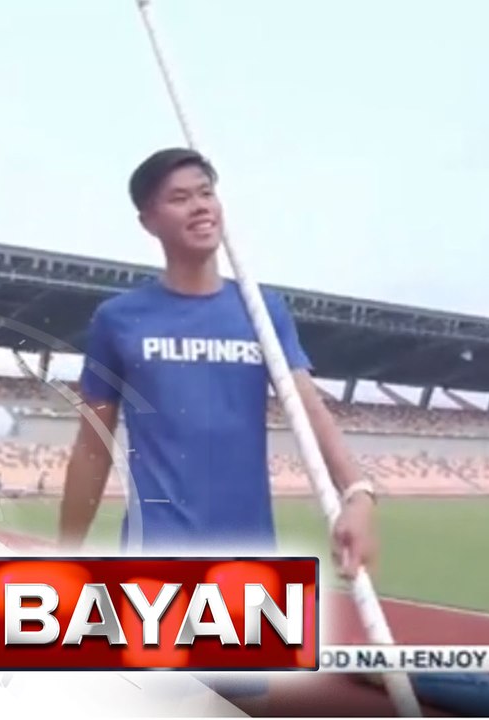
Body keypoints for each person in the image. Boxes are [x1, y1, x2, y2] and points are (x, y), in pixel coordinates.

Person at [57, 147, 378, 711]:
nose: (200, 206)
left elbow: (308, 407)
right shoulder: (120, 319)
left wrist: (358, 492)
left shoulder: (261, 309)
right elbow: (92, 446)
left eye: (206, 192)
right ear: (148, 221)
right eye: (179, 198)